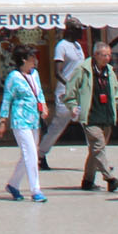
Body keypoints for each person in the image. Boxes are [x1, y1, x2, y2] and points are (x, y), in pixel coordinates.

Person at [62, 38, 118, 194]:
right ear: (96, 55)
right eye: (104, 55)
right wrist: (72, 106)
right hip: (90, 116)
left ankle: (87, 180)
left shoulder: (110, 71)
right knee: (98, 146)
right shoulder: (83, 70)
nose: (108, 58)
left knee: (96, 150)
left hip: (106, 116)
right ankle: (110, 179)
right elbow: (70, 92)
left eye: (109, 55)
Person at [0, 44, 48, 202]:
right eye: (32, 57)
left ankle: (13, 184)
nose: (35, 60)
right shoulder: (13, 77)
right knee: (31, 154)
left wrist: (44, 105)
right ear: (24, 59)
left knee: (28, 155)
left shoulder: (35, 74)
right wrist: (2, 120)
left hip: (34, 120)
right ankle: (35, 190)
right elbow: (7, 100)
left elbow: (39, 92)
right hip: (20, 120)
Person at [38, 20, 88, 170]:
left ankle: (97, 156)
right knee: (58, 126)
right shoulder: (61, 46)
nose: (82, 32)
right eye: (79, 29)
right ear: (71, 30)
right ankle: (40, 154)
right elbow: (57, 72)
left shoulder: (79, 47)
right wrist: (70, 85)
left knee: (88, 123)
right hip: (65, 92)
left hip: (80, 92)